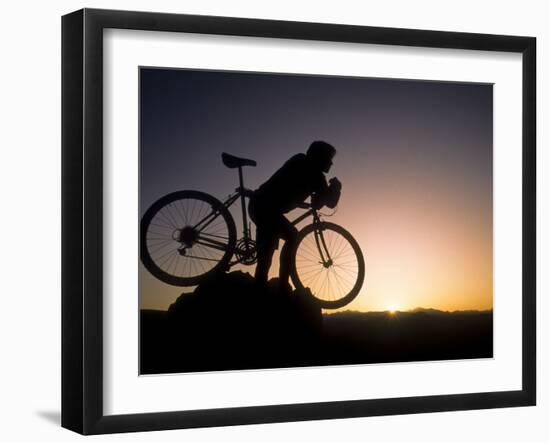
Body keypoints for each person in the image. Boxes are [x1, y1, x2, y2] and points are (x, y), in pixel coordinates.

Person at [248, 140, 342, 287]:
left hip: (261, 205)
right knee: (288, 238)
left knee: (273, 245)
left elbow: (318, 203)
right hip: (265, 207)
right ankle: (280, 286)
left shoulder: (301, 161)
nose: (331, 163)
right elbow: (327, 203)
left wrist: (330, 190)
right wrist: (336, 187)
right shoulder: (312, 172)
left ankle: (276, 286)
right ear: (320, 157)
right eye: (329, 159)